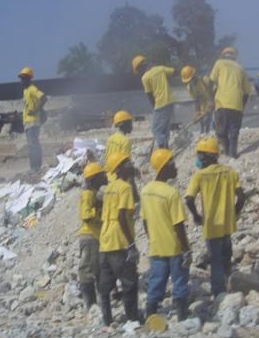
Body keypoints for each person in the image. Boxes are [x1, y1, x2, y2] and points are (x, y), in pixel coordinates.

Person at [185, 137, 245, 297]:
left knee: (215, 258)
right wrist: (235, 212)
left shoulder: (200, 176)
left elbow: (189, 199)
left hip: (211, 225)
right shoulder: (230, 172)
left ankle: (219, 291)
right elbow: (241, 197)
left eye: (199, 155)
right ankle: (228, 282)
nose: (198, 159)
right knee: (227, 254)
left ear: (205, 156)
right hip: (227, 223)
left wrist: (197, 216)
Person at [140, 149, 191, 321]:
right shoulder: (171, 193)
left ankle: (150, 315)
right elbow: (178, 226)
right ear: (164, 166)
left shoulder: (146, 191)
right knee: (179, 283)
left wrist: (153, 238)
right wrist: (186, 250)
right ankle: (182, 316)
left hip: (156, 247)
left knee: (156, 282)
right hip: (174, 248)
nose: (175, 166)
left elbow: (145, 221)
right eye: (172, 163)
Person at [98, 152, 140, 326]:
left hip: (105, 239)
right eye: (127, 163)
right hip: (119, 240)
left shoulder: (109, 188)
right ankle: (132, 319)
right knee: (129, 282)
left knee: (105, 285)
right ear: (120, 168)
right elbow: (122, 216)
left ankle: (107, 320)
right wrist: (131, 244)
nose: (131, 164)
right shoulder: (124, 188)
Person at [209, 47, 252, 157]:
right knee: (234, 130)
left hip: (222, 102)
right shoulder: (241, 68)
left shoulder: (219, 63)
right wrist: (242, 106)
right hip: (237, 103)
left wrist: (210, 99)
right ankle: (233, 153)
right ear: (234, 57)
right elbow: (247, 91)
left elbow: (211, 81)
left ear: (223, 55)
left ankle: (227, 151)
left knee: (221, 131)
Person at [77, 162, 108, 309]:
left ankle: (99, 302)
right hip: (90, 236)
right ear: (94, 178)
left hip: (95, 235)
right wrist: (99, 211)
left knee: (98, 269)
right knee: (88, 270)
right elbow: (86, 216)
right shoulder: (88, 194)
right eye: (101, 175)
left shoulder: (94, 193)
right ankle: (91, 305)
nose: (105, 177)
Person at [132, 55, 175, 148]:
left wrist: (154, 108)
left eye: (138, 70)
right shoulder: (160, 69)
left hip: (160, 104)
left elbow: (149, 95)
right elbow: (174, 72)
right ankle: (166, 146)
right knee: (165, 128)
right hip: (170, 101)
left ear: (140, 67)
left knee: (156, 130)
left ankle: (162, 147)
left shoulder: (145, 77)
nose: (139, 73)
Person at [18, 67, 47, 173]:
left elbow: (43, 98)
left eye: (22, 78)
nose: (21, 81)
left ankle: (35, 168)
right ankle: (35, 167)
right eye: (20, 78)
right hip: (28, 122)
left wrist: (35, 111)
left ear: (28, 79)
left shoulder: (31, 88)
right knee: (32, 145)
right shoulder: (25, 91)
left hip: (33, 121)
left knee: (33, 145)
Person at [181, 66, 215, 134]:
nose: (191, 81)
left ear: (194, 75)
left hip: (215, 101)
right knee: (203, 121)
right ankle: (203, 134)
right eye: (189, 80)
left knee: (213, 120)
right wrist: (197, 112)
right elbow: (197, 100)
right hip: (203, 104)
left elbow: (214, 91)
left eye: (192, 78)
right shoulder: (190, 88)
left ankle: (213, 135)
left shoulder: (204, 80)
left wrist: (211, 103)